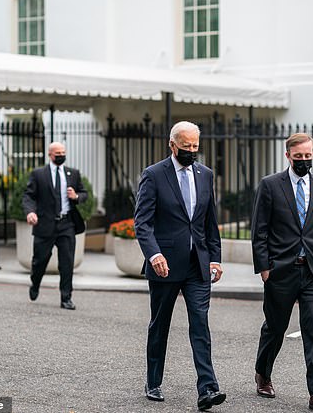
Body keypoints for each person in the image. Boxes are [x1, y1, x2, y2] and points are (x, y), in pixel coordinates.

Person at [134, 121, 226, 411]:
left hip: (197, 264)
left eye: (195, 147)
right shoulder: (154, 175)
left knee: (200, 325)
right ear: (172, 145)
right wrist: (154, 254)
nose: (191, 151)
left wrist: (215, 257)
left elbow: (209, 221)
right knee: (160, 324)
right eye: (185, 146)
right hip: (165, 266)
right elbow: (142, 222)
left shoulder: (205, 174)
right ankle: (153, 381)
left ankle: (208, 389)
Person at [251, 133, 313, 413]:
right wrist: (263, 267)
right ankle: (263, 372)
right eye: (298, 157)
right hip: (280, 271)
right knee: (275, 328)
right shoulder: (271, 185)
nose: (303, 161)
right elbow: (259, 229)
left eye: (307, 157)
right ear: (288, 156)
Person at [22, 142, 88, 310]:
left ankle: (66, 297)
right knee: (40, 261)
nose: (61, 155)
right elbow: (29, 196)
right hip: (45, 224)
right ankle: (35, 283)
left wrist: (76, 196)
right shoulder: (38, 174)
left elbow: (84, 194)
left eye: (63, 152)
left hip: (66, 224)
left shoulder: (73, 173)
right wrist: (30, 212)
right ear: (50, 155)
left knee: (67, 262)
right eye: (58, 153)